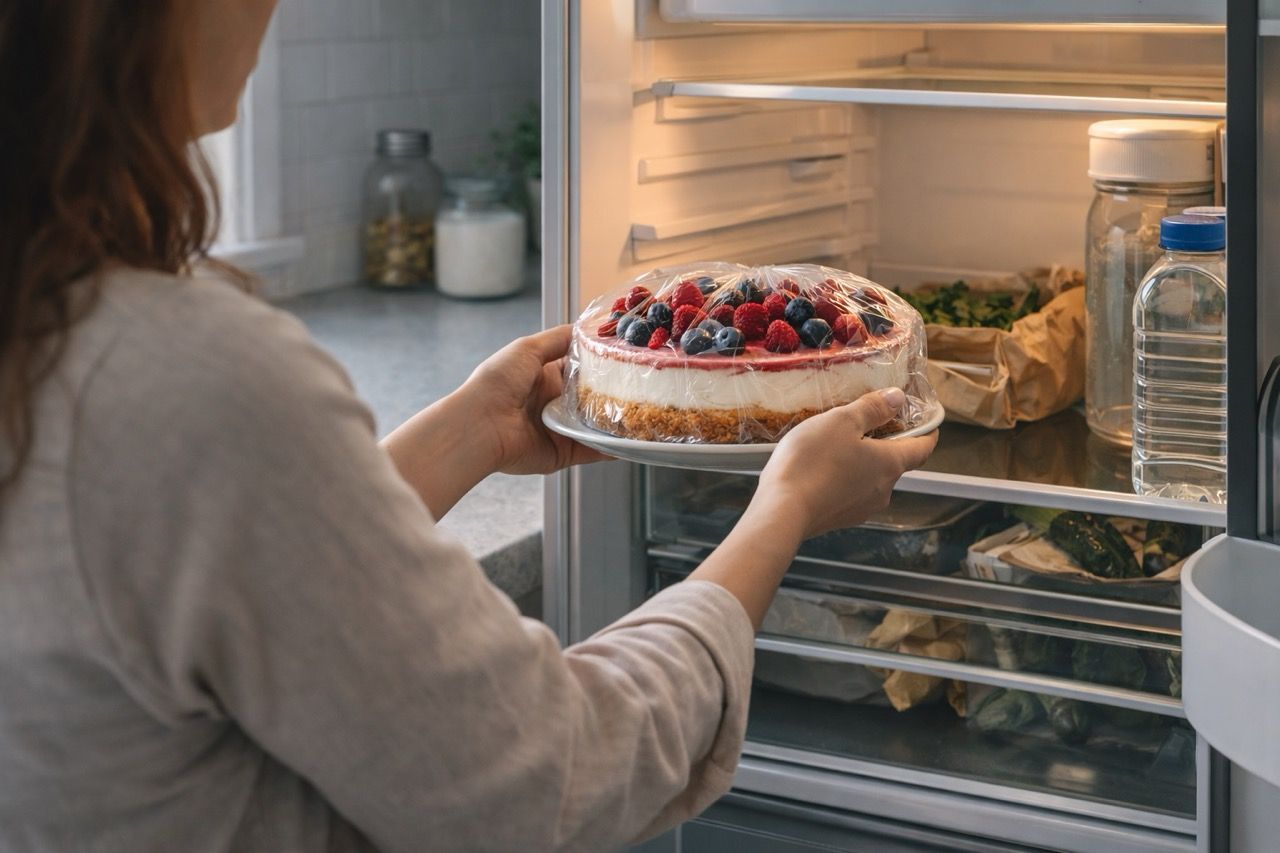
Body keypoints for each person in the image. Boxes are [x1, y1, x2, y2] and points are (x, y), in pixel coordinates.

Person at [0, 2, 936, 851]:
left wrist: (468, 435)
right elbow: (551, 773)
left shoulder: (64, 339)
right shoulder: (192, 376)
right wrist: (783, 509)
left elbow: (206, 563)